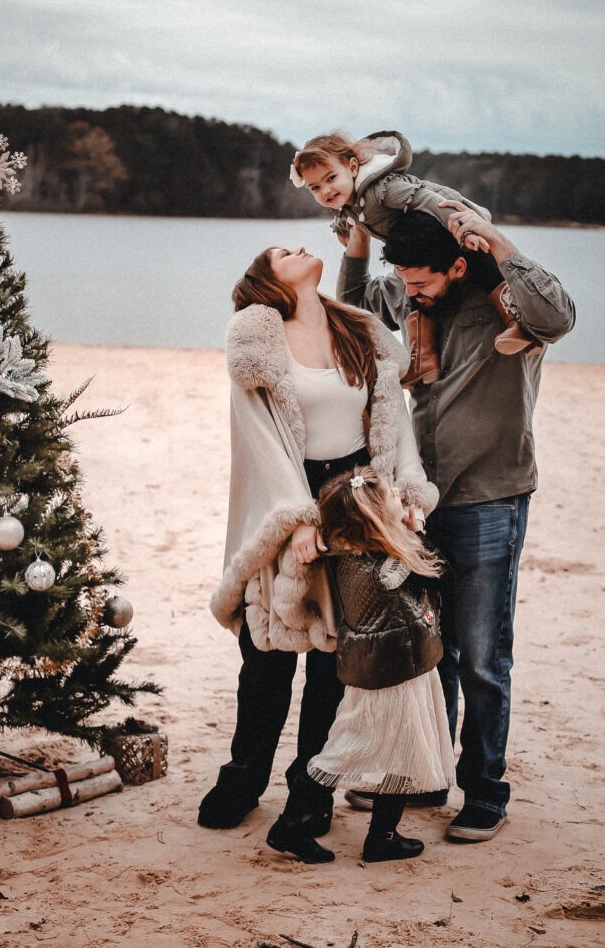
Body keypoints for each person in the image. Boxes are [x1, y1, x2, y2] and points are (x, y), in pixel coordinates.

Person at [336, 204, 575, 841]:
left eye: (420, 283)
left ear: (459, 264)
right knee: (429, 649)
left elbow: (560, 314)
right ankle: (427, 776)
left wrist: (496, 237)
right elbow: (356, 305)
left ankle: (486, 793)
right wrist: (359, 245)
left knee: (482, 660)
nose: (410, 295)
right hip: (423, 503)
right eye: (407, 284)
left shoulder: (510, 305)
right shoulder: (419, 305)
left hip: (490, 498)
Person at [198, 243, 438, 839]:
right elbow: (258, 439)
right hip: (287, 490)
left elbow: (392, 420)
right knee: (268, 655)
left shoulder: (358, 329)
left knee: (336, 657)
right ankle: (244, 778)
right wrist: (296, 517)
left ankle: (309, 797)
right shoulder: (258, 343)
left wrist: (405, 493)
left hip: (357, 498)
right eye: (281, 251)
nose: (299, 247)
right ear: (266, 279)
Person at [265, 465, 455, 865]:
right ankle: (293, 824)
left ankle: (381, 837)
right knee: (345, 750)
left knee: (396, 750)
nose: (400, 497)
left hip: (395, 668)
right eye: (391, 496)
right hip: (389, 674)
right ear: (373, 518)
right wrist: (414, 528)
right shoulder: (379, 566)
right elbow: (431, 566)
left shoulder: (356, 554)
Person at [290, 129, 540, 387]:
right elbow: (345, 224)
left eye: (331, 178)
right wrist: (348, 233)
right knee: (417, 292)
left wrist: (462, 230)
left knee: (484, 266)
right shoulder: (348, 204)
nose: (326, 191)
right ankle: (424, 359)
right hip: (424, 245)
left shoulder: (383, 189)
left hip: (455, 222)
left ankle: (516, 323)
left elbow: (428, 201)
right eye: (315, 187)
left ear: (353, 167)